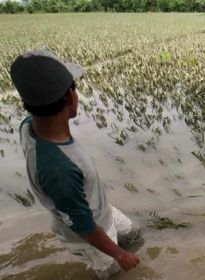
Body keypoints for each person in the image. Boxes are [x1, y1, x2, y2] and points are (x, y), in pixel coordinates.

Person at [10, 49, 141, 279]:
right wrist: (120, 255)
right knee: (113, 273)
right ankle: (113, 261)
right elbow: (84, 226)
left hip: (100, 210)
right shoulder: (60, 168)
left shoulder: (29, 125)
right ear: (70, 97)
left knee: (134, 235)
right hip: (90, 233)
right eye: (75, 88)